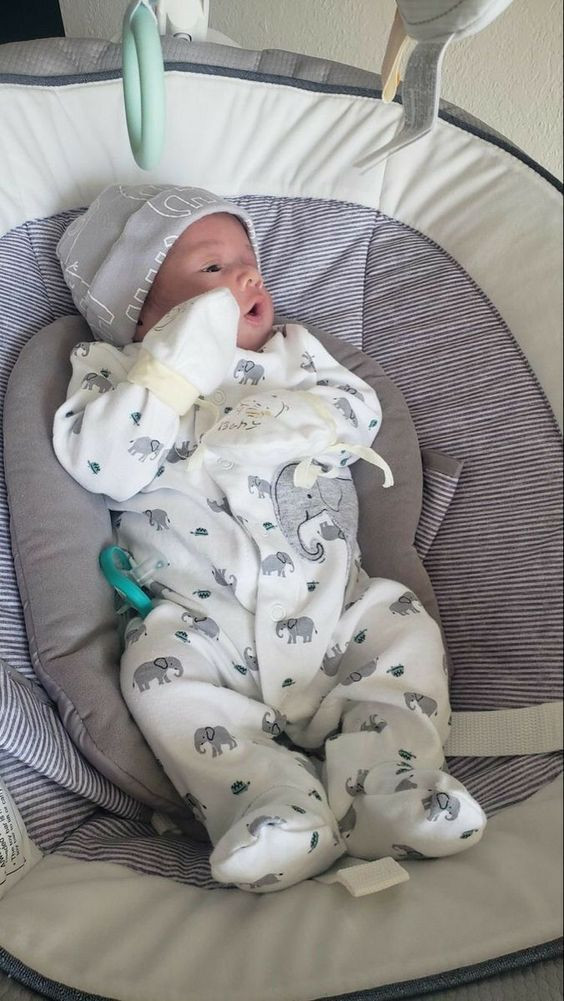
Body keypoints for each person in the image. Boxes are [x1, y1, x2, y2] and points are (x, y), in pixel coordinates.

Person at [53, 184, 486, 893]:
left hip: (333, 604)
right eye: (213, 267)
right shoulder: (115, 375)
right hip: (202, 624)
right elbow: (101, 466)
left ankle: (390, 786)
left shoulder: (295, 353)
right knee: (157, 677)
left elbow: (361, 413)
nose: (247, 277)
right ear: (141, 308)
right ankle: (270, 804)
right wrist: (169, 372)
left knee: (403, 630)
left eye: (250, 263)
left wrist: (303, 416)